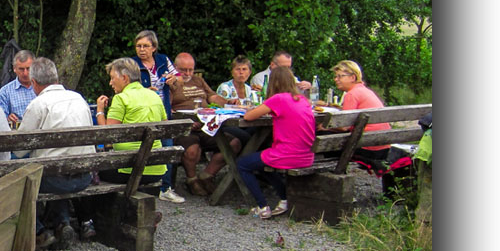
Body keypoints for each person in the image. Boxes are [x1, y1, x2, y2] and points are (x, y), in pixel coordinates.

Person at [12, 57, 95, 249]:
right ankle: (62, 223)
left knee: (32, 172)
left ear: (33, 82)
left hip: (52, 180)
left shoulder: (39, 104)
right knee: (56, 164)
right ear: (56, 78)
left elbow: (19, 148)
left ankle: (41, 229)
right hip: (84, 176)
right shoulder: (79, 98)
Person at [237, 66, 316, 219]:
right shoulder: (303, 100)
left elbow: (248, 117)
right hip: (306, 156)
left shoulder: (278, 99)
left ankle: (262, 206)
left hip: (287, 155)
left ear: (273, 83)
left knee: (242, 164)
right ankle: (285, 199)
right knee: (261, 164)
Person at [166, 53, 238, 196]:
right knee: (192, 150)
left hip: (206, 125)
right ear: (175, 68)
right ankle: (192, 180)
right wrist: (184, 122)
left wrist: (228, 102)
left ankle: (207, 175)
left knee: (234, 143)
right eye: (183, 70)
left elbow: (212, 96)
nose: (187, 73)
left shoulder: (198, 81)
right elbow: (167, 108)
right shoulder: (170, 83)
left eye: (190, 70)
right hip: (184, 127)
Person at [95, 57, 169, 189]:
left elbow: (108, 139)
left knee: (93, 172)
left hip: (128, 170)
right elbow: (165, 128)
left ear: (124, 78)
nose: (110, 83)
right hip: (157, 169)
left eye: (112, 78)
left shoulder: (121, 98)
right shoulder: (154, 95)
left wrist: (100, 111)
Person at [129, 31, 183, 202]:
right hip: (143, 113)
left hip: (163, 111)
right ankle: (142, 185)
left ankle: (165, 188)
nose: (141, 49)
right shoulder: (131, 64)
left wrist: (173, 80)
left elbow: (180, 80)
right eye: (138, 46)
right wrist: (144, 92)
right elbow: (127, 87)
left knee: (167, 148)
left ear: (154, 47)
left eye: (145, 46)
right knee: (144, 150)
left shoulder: (163, 60)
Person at [330, 60, 392, 165]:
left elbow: (344, 126)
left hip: (368, 148)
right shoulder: (365, 91)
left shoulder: (352, 94)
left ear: (353, 77)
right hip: (383, 146)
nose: (336, 79)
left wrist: (325, 127)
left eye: (340, 76)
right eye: (336, 76)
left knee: (325, 137)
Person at [0, 49, 36, 127]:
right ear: (14, 69)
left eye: (28, 68)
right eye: (21, 69)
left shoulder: (42, 87)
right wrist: (7, 119)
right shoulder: (5, 92)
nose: (25, 73)